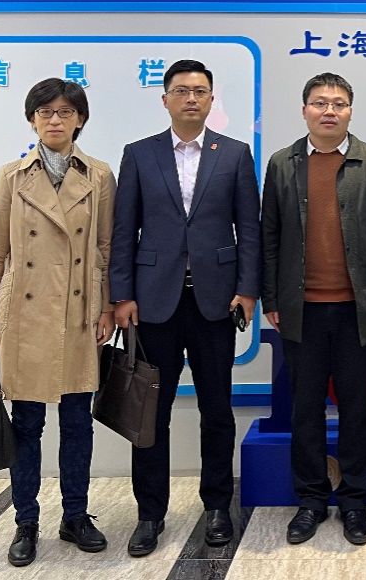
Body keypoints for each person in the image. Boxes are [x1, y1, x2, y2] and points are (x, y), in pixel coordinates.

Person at [109, 59, 261, 557]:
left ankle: (217, 507)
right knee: (150, 414)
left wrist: (248, 290)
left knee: (217, 410)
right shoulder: (139, 154)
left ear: (212, 99)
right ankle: (150, 514)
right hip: (154, 304)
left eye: (200, 91)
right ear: (165, 100)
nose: (191, 98)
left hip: (215, 303)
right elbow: (123, 230)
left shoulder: (234, 154)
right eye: (181, 91)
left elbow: (250, 228)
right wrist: (122, 295)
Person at [0, 78, 115, 568]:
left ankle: (75, 516)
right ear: (32, 120)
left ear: (80, 119)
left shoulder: (99, 175)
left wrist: (106, 307)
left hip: (79, 314)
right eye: (45, 111)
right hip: (23, 316)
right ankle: (26, 522)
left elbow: (105, 249)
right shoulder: (11, 176)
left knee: (77, 423)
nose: (55, 119)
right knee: (27, 424)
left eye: (65, 111)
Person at [260, 73, 366, 546]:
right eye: (320, 103)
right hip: (299, 310)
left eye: (338, 103)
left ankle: (355, 501)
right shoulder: (283, 163)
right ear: (304, 110)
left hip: (356, 310)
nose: (329, 111)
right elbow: (269, 236)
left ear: (350, 111)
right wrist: (272, 299)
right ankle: (311, 500)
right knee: (305, 409)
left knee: (357, 408)